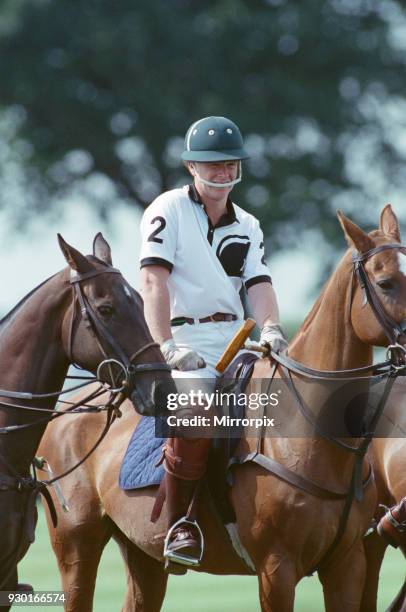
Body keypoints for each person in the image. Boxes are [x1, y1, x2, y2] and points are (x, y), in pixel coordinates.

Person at [139, 116, 287, 572]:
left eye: (229, 165)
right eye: (212, 165)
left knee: (290, 401)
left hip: (237, 334)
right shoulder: (166, 209)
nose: (222, 173)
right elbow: (152, 282)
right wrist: (165, 345)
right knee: (200, 410)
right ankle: (181, 523)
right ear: (191, 166)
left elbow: (258, 283)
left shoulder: (249, 223)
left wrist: (273, 328)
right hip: (183, 336)